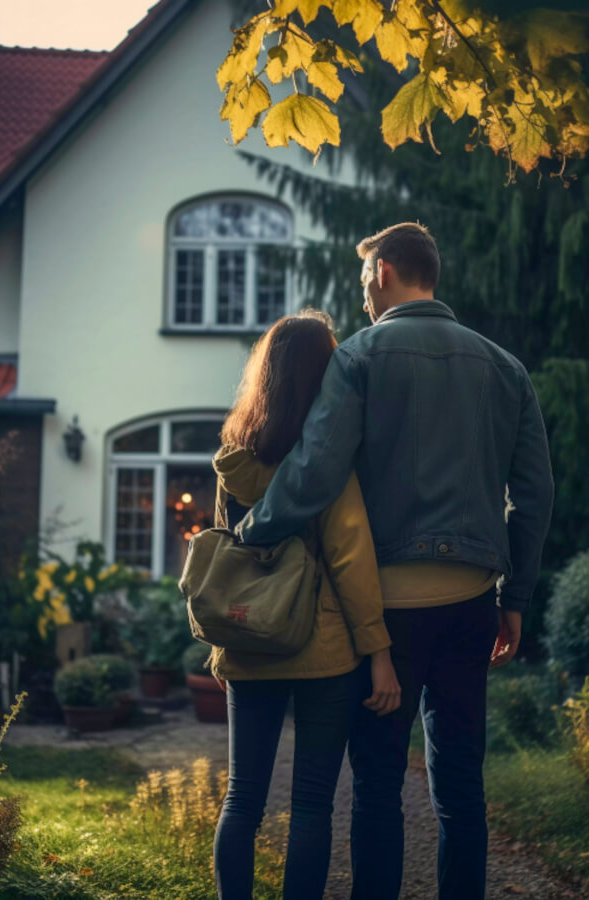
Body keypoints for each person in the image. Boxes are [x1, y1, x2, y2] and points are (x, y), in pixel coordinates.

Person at [235, 223, 554, 900]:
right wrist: (517, 598)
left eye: (362, 285)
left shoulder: (360, 358)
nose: (361, 302)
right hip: (473, 605)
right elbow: (534, 494)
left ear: (382, 272)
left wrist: (252, 531)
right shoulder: (504, 367)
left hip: (388, 614)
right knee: (461, 781)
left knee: (378, 782)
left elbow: (316, 472)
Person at [211, 309, 399, 900]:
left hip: (249, 639)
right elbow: (351, 559)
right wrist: (378, 650)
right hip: (324, 652)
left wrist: (226, 644)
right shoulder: (328, 464)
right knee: (313, 803)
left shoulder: (233, 461)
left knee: (243, 796)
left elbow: (229, 553)